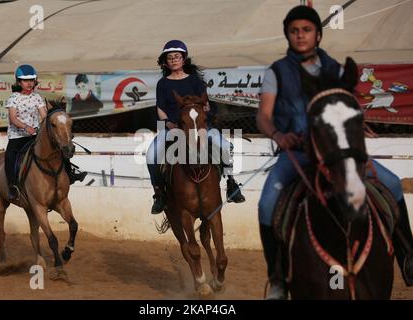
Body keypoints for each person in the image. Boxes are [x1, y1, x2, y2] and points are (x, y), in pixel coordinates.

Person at [256, 5, 413, 299]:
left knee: (391, 185)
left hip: (340, 152)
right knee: (267, 204)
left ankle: (408, 256)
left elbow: (350, 106)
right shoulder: (276, 72)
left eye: (306, 30)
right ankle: (277, 279)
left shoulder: (337, 69)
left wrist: (356, 125)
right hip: (298, 153)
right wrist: (277, 134)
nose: (300, 35)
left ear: (318, 34)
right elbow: (263, 115)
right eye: (294, 31)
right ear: (288, 35)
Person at [146, 40, 246, 215]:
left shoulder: (196, 81)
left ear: (184, 59)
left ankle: (231, 183)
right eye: (170, 57)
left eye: (177, 56)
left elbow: (205, 104)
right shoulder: (163, 84)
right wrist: (168, 123)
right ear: (165, 62)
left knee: (225, 146)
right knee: (151, 154)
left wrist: (205, 108)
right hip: (174, 128)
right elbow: (160, 109)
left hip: (200, 127)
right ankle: (159, 193)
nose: (174, 60)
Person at [5, 65, 87, 201]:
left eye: (32, 80)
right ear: (19, 82)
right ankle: (12, 186)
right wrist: (26, 127)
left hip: (35, 136)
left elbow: (44, 116)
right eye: (26, 81)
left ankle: (70, 174)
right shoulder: (13, 98)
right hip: (17, 137)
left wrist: (54, 128)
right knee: (9, 157)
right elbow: (13, 118)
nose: (29, 83)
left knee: (59, 149)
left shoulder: (37, 97)